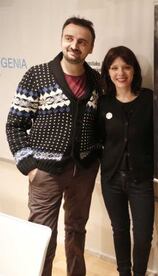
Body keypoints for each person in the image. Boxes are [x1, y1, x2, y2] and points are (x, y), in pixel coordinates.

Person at [5, 17, 101, 276]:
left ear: (91, 48)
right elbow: (14, 124)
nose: (74, 45)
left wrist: (96, 161)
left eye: (82, 41)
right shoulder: (37, 75)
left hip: (83, 172)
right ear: (62, 39)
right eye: (69, 38)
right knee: (41, 235)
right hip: (45, 172)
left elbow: (101, 126)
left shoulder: (97, 81)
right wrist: (29, 166)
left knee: (77, 231)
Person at [98, 46, 154, 276]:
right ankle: (124, 273)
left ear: (134, 70)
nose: (120, 72)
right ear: (108, 72)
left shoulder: (149, 99)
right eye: (114, 68)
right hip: (111, 180)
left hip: (140, 181)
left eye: (126, 67)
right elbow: (98, 138)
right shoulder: (103, 103)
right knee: (119, 230)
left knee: (142, 236)